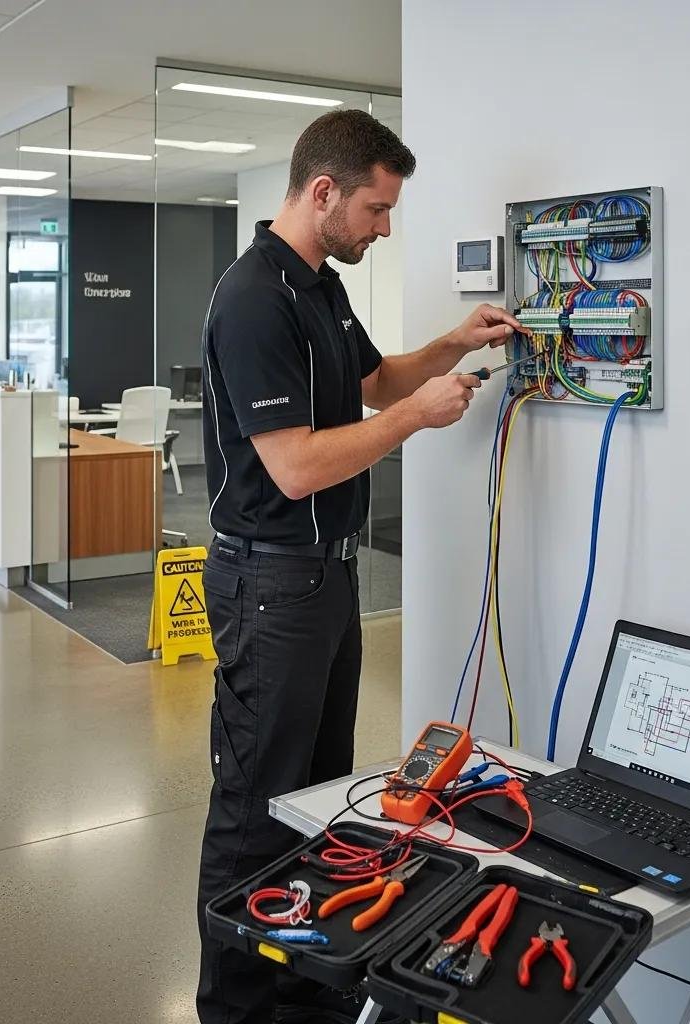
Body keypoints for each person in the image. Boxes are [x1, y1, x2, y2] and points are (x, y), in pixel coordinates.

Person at [196, 109, 528, 1024]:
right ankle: (235, 1008)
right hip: (269, 586)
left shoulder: (318, 287)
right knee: (255, 808)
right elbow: (296, 463)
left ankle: (308, 989)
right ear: (324, 191)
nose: (385, 229)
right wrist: (418, 421)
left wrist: (456, 343)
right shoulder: (254, 297)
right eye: (378, 210)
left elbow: (376, 384)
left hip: (323, 580)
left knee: (317, 801)